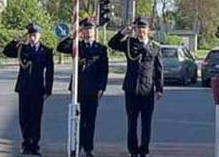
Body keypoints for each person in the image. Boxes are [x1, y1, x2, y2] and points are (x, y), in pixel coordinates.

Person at [108, 16, 164, 157]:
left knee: (146, 122)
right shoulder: (129, 43)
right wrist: (125, 31)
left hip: (147, 89)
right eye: (138, 28)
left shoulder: (155, 47)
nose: (141, 31)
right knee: (132, 121)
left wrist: (159, 88)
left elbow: (159, 70)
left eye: (143, 28)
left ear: (148, 30)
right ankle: (133, 150)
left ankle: (144, 149)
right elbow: (112, 44)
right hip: (131, 88)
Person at [57, 18, 109, 157]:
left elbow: (104, 70)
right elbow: (61, 47)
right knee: (77, 120)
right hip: (78, 89)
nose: (88, 32)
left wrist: (101, 88)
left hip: (93, 90)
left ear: (94, 31)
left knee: (90, 120)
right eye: (85, 29)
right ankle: (76, 146)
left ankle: (88, 148)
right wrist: (74, 34)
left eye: (90, 29)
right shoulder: (77, 45)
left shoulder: (101, 49)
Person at [3, 23, 55, 155]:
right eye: (31, 35)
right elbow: (7, 52)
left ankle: (35, 144)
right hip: (24, 88)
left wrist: (48, 89)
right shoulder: (23, 49)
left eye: (35, 35)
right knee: (24, 118)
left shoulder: (46, 51)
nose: (33, 38)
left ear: (39, 35)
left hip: (38, 89)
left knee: (36, 118)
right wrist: (16, 41)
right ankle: (26, 143)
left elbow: (50, 72)